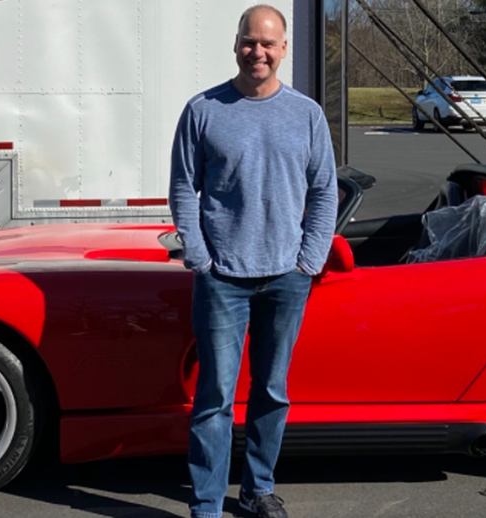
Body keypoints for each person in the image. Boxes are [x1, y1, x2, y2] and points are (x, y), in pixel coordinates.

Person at [167, 4, 338, 518]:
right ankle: (207, 505)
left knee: (271, 392)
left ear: (283, 49)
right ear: (236, 44)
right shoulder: (204, 110)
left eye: (268, 43)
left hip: (286, 277)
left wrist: (309, 260)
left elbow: (325, 191)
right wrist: (199, 254)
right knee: (215, 398)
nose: (257, 51)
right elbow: (182, 186)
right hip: (222, 279)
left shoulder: (306, 114)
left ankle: (258, 488)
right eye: (249, 41)